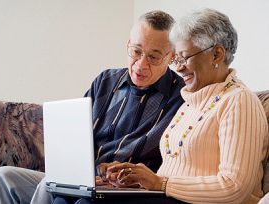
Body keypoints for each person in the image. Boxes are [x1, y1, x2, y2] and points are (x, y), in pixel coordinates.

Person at [54, 8, 269, 204]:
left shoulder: (239, 101)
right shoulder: (192, 100)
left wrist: (160, 184)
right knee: (63, 199)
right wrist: (136, 179)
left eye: (183, 58)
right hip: (163, 197)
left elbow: (235, 187)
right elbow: (168, 176)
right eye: (177, 60)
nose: (179, 68)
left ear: (217, 54)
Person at [0, 10, 185, 204]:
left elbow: (174, 163)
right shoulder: (105, 81)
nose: (141, 64)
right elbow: (75, 140)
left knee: (51, 189)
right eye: (136, 51)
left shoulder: (182, 97)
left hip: (130, 189)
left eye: (153, 57)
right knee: (0, 177)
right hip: (86, 179)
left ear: (171, 57)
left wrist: (124, 176)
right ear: (128, 44)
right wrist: (87, 170)